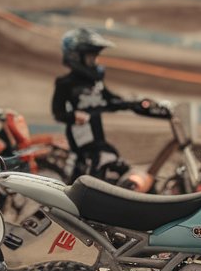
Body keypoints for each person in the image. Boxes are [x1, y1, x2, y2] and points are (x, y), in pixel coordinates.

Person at [52, 28, 164, 183]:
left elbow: (110, 101)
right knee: (95, 170)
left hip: (97, 137)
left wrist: (133, 104)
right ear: (76, 56)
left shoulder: (96, 83)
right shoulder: (65, 83)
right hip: (81, 139)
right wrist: (73, 116)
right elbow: (57, 112)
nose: (95, 61)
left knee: (111, 166)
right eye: (91, 57)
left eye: (95, 57)